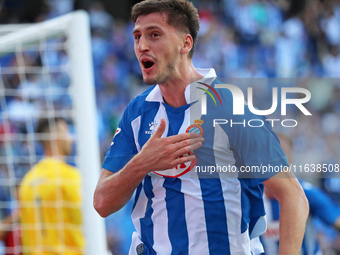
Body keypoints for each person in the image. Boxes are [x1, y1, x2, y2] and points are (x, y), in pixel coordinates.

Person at [93, 0, 309, 254]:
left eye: (154, 35)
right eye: (137, 36)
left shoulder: (229, 106)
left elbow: (294, 196)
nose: (142, 46)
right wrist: (143, 163)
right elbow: (101, 202)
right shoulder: (136, 113)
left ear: (186, 43)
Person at [261, 133, 340, 255]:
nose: (273, 159)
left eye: (280, 154)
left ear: (290, 161)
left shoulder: (304, 192)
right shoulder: (251, 196)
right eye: (269, 153)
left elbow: (336, 220)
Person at [19, 117, 85, 255]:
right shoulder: (69, 176)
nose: (71, 139)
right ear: (57, 138)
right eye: (67, 132)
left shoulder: (27, 181)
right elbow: (84, 221)